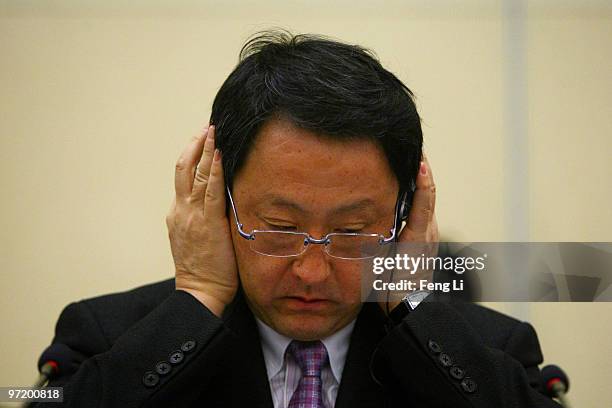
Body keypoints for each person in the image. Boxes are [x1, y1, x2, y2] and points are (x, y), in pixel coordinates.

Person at [35, 31, 560, 407]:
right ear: (220, 206)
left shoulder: (495, 352)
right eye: (280, 230)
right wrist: (197, 295)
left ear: (404, 220)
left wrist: (411, 300)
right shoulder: (106, 334)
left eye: (353, 233)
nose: (312, 272)